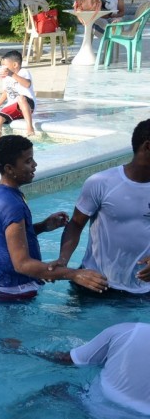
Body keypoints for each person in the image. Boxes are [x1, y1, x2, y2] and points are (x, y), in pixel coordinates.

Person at [0, 135, 107, 300]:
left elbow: (10, 237)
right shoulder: (11, 205)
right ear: (9, 169)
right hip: (15, 288)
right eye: (28, 161)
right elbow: (22, 264)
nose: (34, 165)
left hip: (3, 278)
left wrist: (43, 226)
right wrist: (75, 274)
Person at [58, 119, 150, 295]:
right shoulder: (102, 182)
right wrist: (63, 262)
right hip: (95, 285)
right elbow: (76, 224)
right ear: (147, 146)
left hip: (143, 291)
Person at [3, 323, 150, 416]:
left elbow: (66, 360)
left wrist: (25, 350)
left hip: (102, 414)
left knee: (56, 389)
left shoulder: (127, 331)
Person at [0, 50, 37, 139]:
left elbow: (27, 84)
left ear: (15, 65)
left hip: (28, 105)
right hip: (14, 106)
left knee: (21, 98)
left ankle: (30, 128)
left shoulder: (23, 72)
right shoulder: (6, 78)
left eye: (4, 65)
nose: (2, 68)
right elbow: (5, 93)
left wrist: (12, 74)